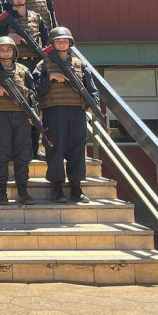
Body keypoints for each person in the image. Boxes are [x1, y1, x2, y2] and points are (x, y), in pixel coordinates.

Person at [34, 27, 99, 204]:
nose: (62, 43)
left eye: (65, 40)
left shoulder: (80, 64)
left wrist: (94, 105)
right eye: (58, 41)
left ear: (70, 43)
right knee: (56, 148)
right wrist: (50, 78)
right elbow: (34, 89)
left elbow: (91, 88)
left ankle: (76, 187)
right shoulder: (44, 65)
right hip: (54, 111)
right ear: (52, 44)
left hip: (77, 112)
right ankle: (56, 187)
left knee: (77, 149)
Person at [0, 36, 37, 206]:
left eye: (8, 49)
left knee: (23, 154)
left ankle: (23, 190)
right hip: (0, 115)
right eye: (2, 50)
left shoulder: (24, 71)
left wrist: (34, 114)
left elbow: (34, 94)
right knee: (1, 154)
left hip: (22, 116)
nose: (5, 52)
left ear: (14, 51)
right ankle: (1, 191)